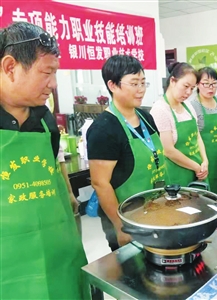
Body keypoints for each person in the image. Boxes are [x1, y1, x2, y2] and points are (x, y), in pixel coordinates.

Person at [0, 22, 89, 298]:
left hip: (59, 256)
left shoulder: (44, 117)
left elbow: (53, 163)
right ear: (10, 67)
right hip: (10, 270)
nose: (53, 84)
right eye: (46, 73)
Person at [87, 55, 167, 252]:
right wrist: (120, 226)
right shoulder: (104, 129)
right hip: (126, 217)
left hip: (154, 208)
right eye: (134, 83)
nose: (141, 89)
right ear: (113, 85)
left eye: (143, 82)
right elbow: (100, 183)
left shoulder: (146, 117)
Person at [150, 62, 208, 187]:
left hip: (197, 169)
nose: (188, 92)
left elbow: (197, 136)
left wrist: (205, 161)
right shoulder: (160, 109)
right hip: (176, 173)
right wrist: (196, 167)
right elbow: (168, 150)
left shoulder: (187, 105)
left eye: (192, 89)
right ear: (173, 81)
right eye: (185, 86)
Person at [189, 67, 217, 195]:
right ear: (197, 84)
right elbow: (193, 135)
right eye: (206, 84)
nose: (211, 88)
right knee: (207, 190)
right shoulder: (193, 105)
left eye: (214, 84)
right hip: (203, 155)